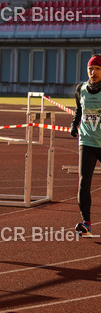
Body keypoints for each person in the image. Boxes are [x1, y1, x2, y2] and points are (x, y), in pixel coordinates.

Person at [70, 54, 101, 237]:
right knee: (84, 183)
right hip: (87, 142)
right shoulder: (80, 89)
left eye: (97, 69)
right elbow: (79, 110)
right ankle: (86, 223)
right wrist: (74, 125)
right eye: (91, 68)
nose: (93, 72)